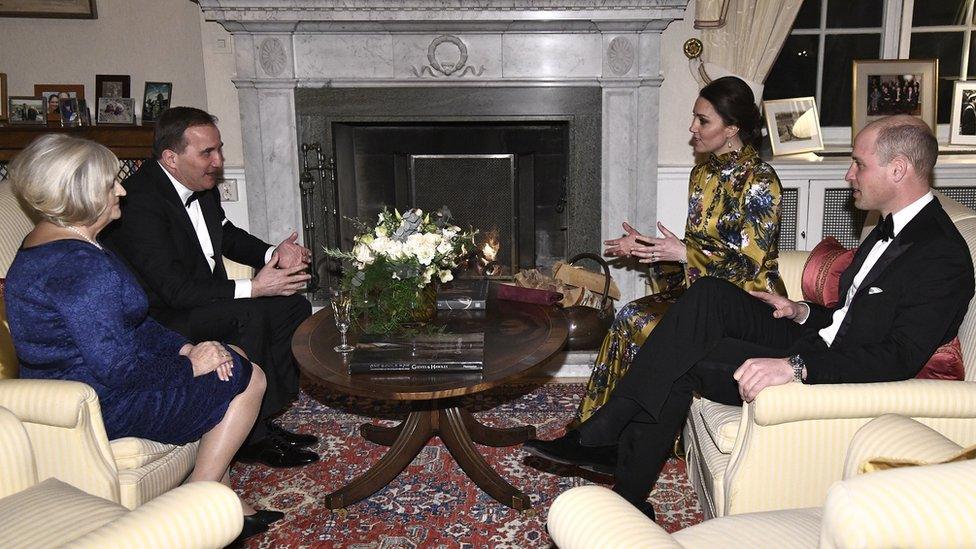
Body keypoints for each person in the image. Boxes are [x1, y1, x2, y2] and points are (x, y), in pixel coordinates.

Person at [524, 115, 974, 520]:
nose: (848, 174)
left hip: (838, 369)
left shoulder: (941, 255)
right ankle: (608, 435)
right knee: (709, 295)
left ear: (898, 169)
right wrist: (801, 311)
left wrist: (794, 367)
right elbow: (851, 315)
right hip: (817, 339)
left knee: (686, 361)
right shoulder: (888, 225)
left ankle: (617, 464)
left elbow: (897, 357)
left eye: (859, 164)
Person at [4, 134, 282, 542]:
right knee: (247, 375)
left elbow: (133, 322)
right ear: (79, 193)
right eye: (109, 183)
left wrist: (185, 346)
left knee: (231, 354)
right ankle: (200, 500)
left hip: (98, 384)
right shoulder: (80, 268)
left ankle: (218, 491)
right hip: (104, 404)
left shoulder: (57, 242)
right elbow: (118, 369)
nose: (121, 189)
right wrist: (189, 363)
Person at [565, 76, 786, 432]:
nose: (692, 127)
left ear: (732, 129)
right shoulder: (701, 174)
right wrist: (650, 248)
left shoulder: (760, 180)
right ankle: (596, 426)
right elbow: (695, 250)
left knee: (645, 323)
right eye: (694, 117)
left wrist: (684, 252)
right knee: (630, 315)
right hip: (700, 295)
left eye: (703, 120)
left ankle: (630, 430)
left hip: (749, 303)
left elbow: (749, 264)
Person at [103, 107, 319, 468]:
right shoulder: (138, 203)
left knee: (291, 307)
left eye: (219, 149)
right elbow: (174, 291)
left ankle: (260, 417)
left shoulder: (199, 184)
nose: (218, 161)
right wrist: (253, 286)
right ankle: (252, 439)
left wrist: (273, 252)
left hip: (203, 298)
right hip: (162, 318)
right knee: (248, 315)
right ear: (171, 158)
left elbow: (226, 235)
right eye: (207, 153)